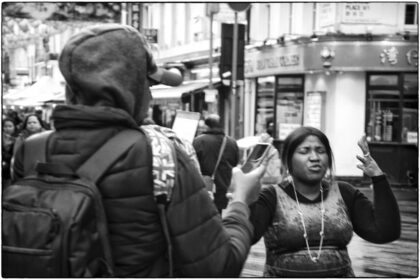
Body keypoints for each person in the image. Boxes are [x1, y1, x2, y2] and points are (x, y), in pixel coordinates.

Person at [12, 24, 265, 277]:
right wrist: (241, 200)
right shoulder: (162, 155)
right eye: (148, 84)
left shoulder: (31, 149)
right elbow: (217, 267)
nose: (151, 96)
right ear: (132, 88)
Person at [249, 126, 400, 277]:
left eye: (321, 151)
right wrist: (248, 184)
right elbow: (246, 235)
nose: (315, 157)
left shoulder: (344, 193)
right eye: (304, 151)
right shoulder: (271, 197)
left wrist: (378, 177)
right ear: (288, 160)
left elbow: (385, 233)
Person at [193, 114, 240, 214]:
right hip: (223, 188)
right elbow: (235, 163)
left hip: (203, 188)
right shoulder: (231, 142)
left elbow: (192, 165)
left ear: (207, 126)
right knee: (218, 216)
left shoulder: (198, 141)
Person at [2, 118, 18, 188]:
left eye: (10, 126)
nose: (7, 128)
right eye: (5, 126)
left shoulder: (18, 139)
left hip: (12, 167)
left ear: (14, 127)